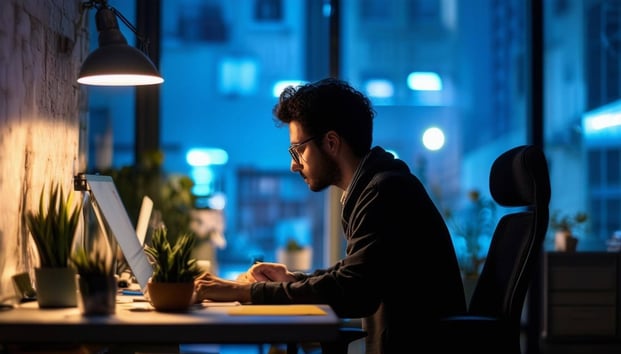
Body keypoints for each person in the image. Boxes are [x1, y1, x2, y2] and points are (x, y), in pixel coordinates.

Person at [193, 77, 467, 353]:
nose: (293, 165)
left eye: (298, 150)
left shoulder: (386, 191)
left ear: (331, 142)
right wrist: (293, 280)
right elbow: (354, 275)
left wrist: (244, 291)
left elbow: (354, 290)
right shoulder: (373, 189)